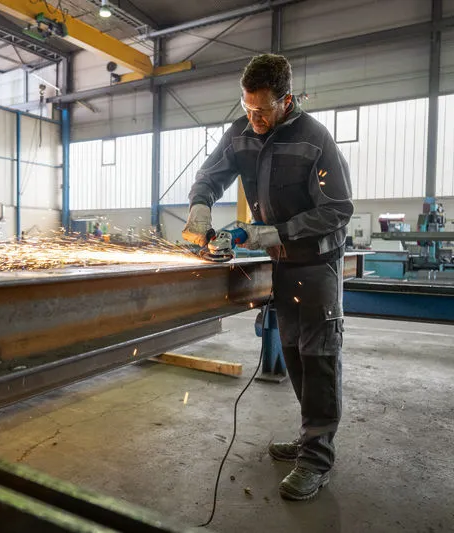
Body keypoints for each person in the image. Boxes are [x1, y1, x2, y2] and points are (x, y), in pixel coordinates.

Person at [182, 54, 354, 501]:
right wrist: (200, 207)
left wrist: (270, 232)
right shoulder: (241, 131)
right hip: (281, 263)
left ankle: (317, 458)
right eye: (247, 108)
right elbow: (210, 175)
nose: (253, 119)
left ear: (287, 100)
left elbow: (337, 210)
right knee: (295, 354)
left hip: (316, 262)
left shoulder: (314, 139)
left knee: (318, 357)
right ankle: (308, 437)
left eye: (262, 110)